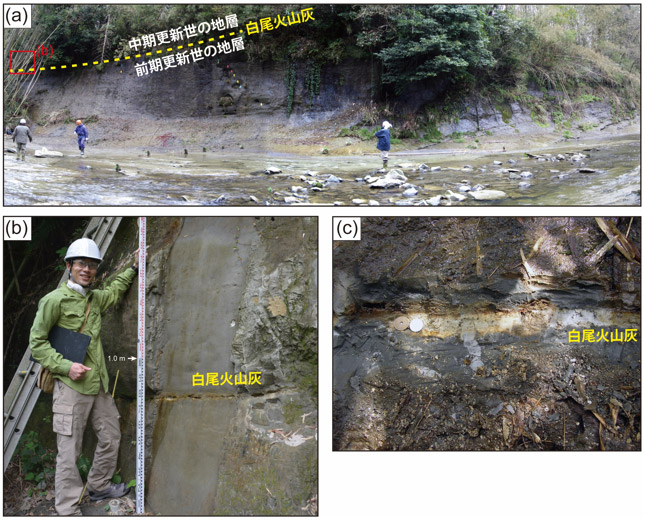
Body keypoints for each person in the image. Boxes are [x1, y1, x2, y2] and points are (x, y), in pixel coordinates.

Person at [29, 238, 142, 515]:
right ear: (69, 266)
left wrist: (135, 268)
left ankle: (99, 485)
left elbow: (114, 291)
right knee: (70, 451)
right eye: (81, 263)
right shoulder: (54, 300)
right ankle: (67, 507)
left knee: (111, 436)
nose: (87, 269)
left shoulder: (94, 298)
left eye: (92, 265)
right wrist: (66, 366)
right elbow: (37, 342)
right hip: (70, 386)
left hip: (98, 385)